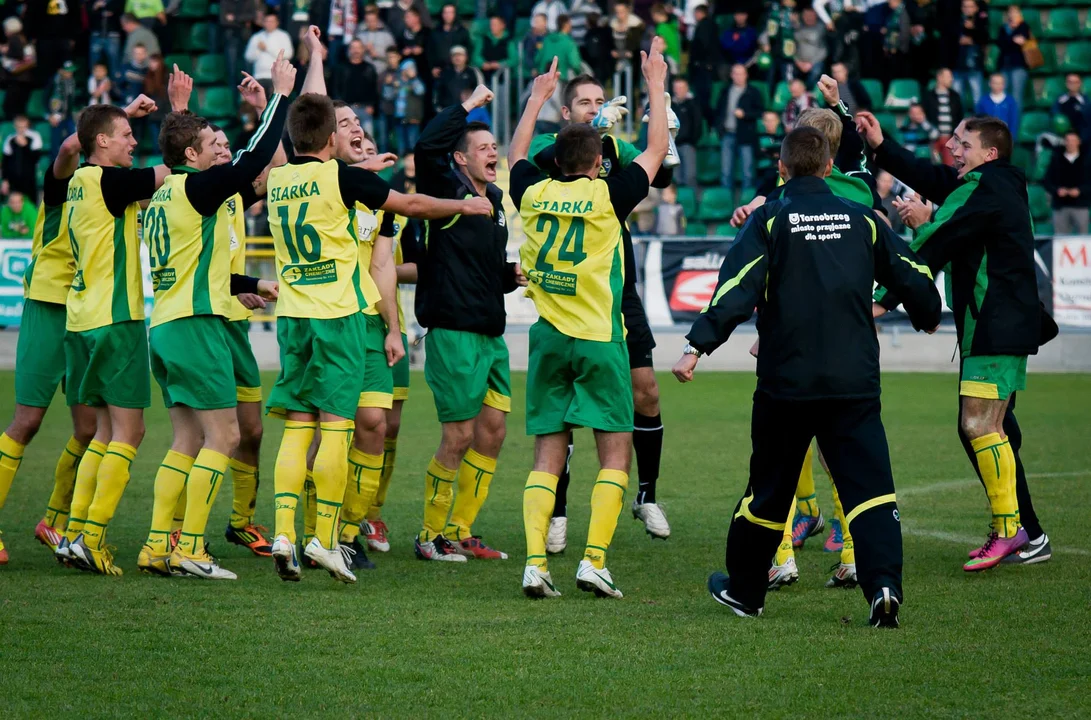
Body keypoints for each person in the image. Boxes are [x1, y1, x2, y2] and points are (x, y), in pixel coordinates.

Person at [673, 125, 941, 626]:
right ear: (827, 168)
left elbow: (735, 286)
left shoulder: (770, 218)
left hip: (787, 382)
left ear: (782, 168)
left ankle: (747, 592)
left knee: (769, 490)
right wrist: (928, 312)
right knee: (871, 489)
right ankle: (883, 588)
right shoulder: (863, 218)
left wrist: (696, 346)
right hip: (853, 380)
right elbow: (913, 272)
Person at [265, 83, 492, 583]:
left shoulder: (279, 178)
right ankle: (326, 538)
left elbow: (385, 256)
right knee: (336, 427)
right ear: (329, 136)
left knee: (299, 426)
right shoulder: (344, 182)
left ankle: (286, 531)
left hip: (294, 317)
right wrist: (463, 206)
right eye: (342, 126)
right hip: (339, 316)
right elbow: (411, 204)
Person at [509, 44, 670, 599]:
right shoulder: (609, 196)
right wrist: (655, 84)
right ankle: (593, 560)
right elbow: (655, 150)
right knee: (613, 451)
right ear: (598, 161)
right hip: (599, 337)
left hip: (548, 338)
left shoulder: (531, 192)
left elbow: (514, 156)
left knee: (547, 454)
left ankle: (535, 563)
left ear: (555, 162)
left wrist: (535, 102)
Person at [861, 113, 1053, 570]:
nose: (951, 145)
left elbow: (938, 240)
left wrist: (881, 303)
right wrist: (882, 145)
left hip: (995, 325)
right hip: (995, 324)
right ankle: (1025, 532)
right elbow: (936, 183)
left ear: (989, 153)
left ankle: (1016, 532)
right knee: (996, 430)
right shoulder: (995, 182)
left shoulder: (982, 187)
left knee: (978, 427)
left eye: (962, 142)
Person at [136, 64, 288, 580]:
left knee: (187, 441)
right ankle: (192, 547)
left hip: (169, 325)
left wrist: (249, 284)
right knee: (223, 438)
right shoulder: (195, 190)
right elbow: (258, 159)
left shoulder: (169, 195)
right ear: (192, 157)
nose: (222, 150)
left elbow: (201, 259)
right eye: (213, 144)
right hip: (197, 324)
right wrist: (280, 97)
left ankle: (159, 545)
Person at [56, 99, 171, 575]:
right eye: (125, 134)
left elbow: (72, 147)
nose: (133, 142)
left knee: (102, 432)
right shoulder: (111, 181)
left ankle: (74, 533)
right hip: (115, 319)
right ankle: (93, 536)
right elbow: (176, 166)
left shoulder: (76, 183)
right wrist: (181, 119)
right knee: (131, 431)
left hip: (81, 320)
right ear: (101, 141)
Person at [411, 84, 523, 562]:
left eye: (494, 146)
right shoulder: (446, 191)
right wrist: (469, 105)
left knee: (493, 431)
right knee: (457, 435)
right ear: (460, 159)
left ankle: (461, 529)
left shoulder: (494, 199)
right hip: (453, 333)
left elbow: (484, 269)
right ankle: (429, 535)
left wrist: (511, 276)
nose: (493, 152)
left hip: (490, 335)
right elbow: (425, 147)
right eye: (483, 148)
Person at [717, 64, 763, 190]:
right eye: (735, 73)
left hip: (746, 135)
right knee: (726, 171)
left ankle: (747, 203)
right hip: (727, 133)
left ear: (746, 75)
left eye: (741, 73)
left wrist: (745, 114)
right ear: (731, 75)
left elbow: (760, 112)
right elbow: (718, 111)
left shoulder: (753, 92)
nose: (738, 76)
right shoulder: (725, 91)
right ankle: (725, 201)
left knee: (747, 172)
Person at [1045, 130, 1091, 236]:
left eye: (1073, 140)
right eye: (1068, 140)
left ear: (1079, 142)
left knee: (1082, 240)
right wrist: (1057, 190)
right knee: (1060, 241)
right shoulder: (1056, 160)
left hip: (1081, 205)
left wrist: (1080, 191)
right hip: (1061, 206)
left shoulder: (1087, 161)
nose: (1070, 143)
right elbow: (1047, 181)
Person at [333, 39, 380, 133]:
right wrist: (340, 107)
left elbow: (374, 89)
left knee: (367, 139)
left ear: (363, 50)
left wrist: (372, 105)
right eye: (353, 48)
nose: (356, 50)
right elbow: (336, 88)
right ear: (349, 50)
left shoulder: (369, 68)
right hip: (347, 109)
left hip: (365, 109)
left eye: (358, 48)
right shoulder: (341, 68)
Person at [245, 13, 295, 96]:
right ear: (263, 23)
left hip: (276, 77)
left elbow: (289, 54)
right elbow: (248, 56)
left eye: (271, 21)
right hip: (259, 76)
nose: (269, 23)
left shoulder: (283, 36)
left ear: (277, 23)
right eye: (267, 21)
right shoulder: (256, 37)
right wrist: (258, 50)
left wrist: (267, 48)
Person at [689, 3, 722, 126]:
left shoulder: (704, 26)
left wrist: (696, 63)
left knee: (703, 100)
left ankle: (710, 124)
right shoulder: (711, 26)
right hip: (708, 68)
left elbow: (701, 46)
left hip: (703, 69)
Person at [950, 0, 988, 108]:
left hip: (975, 67)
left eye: (970, 6)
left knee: (977, 99)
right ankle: (960, 124)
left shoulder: (981, 21)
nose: (968, 9)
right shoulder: (956, 22)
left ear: (976, 8)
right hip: (958, 66)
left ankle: (979, 124)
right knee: (957, 100)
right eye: (965, 6)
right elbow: (949, 41)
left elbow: (985, 39)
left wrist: (973, 31)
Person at [923, 68, 964, 162]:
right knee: (934, 165)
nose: (951, 79)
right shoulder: (929, 96)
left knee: (949, 165)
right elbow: (925, 117)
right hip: (933, 139)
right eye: (949, 76)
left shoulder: (955, 96)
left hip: (950, 139)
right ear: (939, 78)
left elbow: (959, 117)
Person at [996, 5, 1031, 111]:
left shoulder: (1024, 26)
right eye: (1010, 12)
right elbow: (1000, 44)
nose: (1013, 15)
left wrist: (1009, 40)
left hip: (1019, 65)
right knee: (1002, 95)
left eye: (1015, 12)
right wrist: (1013, 39)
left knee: (1016, 96)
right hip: (1004, 64)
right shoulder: (1003, 28)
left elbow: (1022, 41)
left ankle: (1014, 125)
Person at [2, 116, 42, 201]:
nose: (21, 129)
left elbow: (36, 158)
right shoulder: (10, 139)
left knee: (30, 205)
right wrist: (5, 180)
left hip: (29, 179)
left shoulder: (34, 137)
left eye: (23, 126)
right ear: (15, 126)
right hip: (13, 180)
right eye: (19, 127)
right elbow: (6, 162)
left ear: (27, 125)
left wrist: (25, 146)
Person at [220, 0, 258, 86]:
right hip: (231, 37)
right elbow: (223, 20)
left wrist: (235, 18)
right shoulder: (225, 2)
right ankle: (233, 95)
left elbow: (252, 16)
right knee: (231, 69)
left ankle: (247, 92)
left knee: (248, 67)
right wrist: (244, 21)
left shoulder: (249, 1)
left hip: (245, 37)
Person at [671, 76, 701, 188]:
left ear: (687, 88)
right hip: (672, 146)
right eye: (676, 87)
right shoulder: (670, 104)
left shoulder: (693, 103)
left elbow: (697, 124)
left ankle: (692, 202)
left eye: (681, 87)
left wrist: (693, 142)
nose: (678, 90)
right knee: (675, 177)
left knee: (690, 176)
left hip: (688, 144)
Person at [435, 46, 484, 112]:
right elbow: (438, 92)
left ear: (466, 57)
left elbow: (481, 91)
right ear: (451, 58)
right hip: (448, 112)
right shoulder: (444, 73)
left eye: (460, 55)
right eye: (454, 55)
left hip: (469, 112)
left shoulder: (473, 72)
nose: (457, 58)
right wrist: (440, 110)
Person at [429, 4, 472, 77]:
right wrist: (432, 67)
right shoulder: (435, 32)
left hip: (458, 71)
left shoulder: (462, 32)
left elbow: (468, 50)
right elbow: (430, 51)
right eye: (445, 12)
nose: (447, 15)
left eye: (450, 12)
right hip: (439, 71)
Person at [976, 74, 1019, 142]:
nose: (998, 86)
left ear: (1004, 85)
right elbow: (979, 120)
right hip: (988, 137)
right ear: (990, 84)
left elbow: (1013, 120)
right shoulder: (983, 101)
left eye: (1000, 83)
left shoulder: (1010, 101)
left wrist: (1011, 136)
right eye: (995, 83)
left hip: (1004, 137)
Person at [537, 15, 582, 80]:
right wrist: (579, 73)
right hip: (561, 78)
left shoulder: (546, 40)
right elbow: (575, 64)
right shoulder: (569, 42)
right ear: (566, 24)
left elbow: (538, 58)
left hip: (544, 78)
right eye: (570, 23)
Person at [89, 0, 125, 78]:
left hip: (113, 34)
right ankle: (94, 88)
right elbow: (88, 10)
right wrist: (95, 6)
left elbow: (119, 10)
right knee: (94, 65)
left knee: (115, 65)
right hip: (96, 34)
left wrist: (102, 7)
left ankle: (115, 87)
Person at [356, 5, 396, 76]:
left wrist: (377, 55)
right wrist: (363, 50)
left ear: (377, 21)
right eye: (368, 21)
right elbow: (350, 55)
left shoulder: (387, 36)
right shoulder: (360, 36)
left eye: (373, 21)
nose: (371, 23)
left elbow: (394, 56)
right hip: (363, 73)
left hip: (383, 72)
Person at [1052, 74, 1091, 144]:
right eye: (1070, 82)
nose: (1072, 84)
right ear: (1066, 84)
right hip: (1063, 135)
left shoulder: (1086, 101)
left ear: (1080, 84)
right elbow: (1055, 114)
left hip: (1082, 136)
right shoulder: (1060, 99)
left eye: (1075, 82)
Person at [794, 8, 828, 88]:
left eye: (810, 15)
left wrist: (811, 63)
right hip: (799, 62)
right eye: (806, 15)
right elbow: (792, 46)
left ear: (815, 16)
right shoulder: (798, 27)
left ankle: (811, 96)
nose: (808, 18)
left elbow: (824, 50)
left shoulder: (821, 28)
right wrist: (798, 61)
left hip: (815, 62)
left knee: (816, 72)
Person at [476, 16, 515, 84]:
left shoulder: (509, 41)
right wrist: (482, 63)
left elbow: (514, 59)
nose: (492, 27)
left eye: (495, 24)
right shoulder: (483, 39)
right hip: (484, 77)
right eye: (491, 24)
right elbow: (475, 56)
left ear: (502, 25)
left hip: (502, 78)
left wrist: (499, 64)